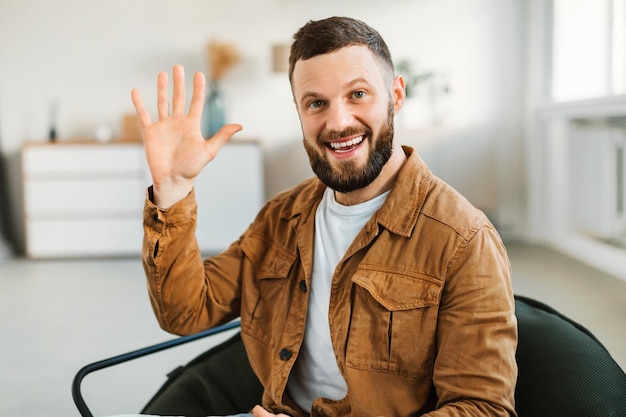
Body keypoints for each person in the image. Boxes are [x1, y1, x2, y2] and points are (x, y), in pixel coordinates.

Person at [131, 16, 518, 417]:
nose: (338, 122)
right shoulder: (284, 214)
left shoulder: (464, 239)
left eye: (358, 94)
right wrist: (172, 190)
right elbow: (186, 311)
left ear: (396, 95)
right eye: (316, 103)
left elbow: (483, 409)